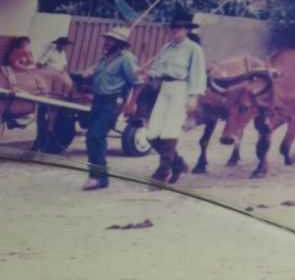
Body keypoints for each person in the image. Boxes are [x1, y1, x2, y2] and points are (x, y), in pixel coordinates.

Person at [146, 14, 206, 187]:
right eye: (173, 28)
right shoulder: (166, 47)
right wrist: (148, 73)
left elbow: (197, 73)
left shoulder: (193, 49)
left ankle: (162, 173)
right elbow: (157, 68)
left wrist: (193, 96)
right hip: (164, 88)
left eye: (179, 29)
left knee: (170, 131)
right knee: (152, 134)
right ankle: (178, 163)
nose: (175, 32)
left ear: (187, 30)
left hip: (182, 89)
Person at [81, 27, 139, 191]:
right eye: (106, 39)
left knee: (96, 136)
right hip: (97, 101)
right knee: (92, 138)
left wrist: (131, 104)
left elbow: (137, 82)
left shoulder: (127, 59)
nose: (106, 42)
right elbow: (96, 74)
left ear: (120, 43)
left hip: (112, 102)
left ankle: (97, 177)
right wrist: (88, 74)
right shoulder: (104, 57)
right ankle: (101, 177)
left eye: (111, 40)